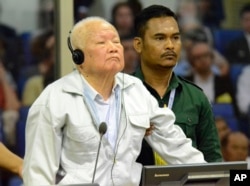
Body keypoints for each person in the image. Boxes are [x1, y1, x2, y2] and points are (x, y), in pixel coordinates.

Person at [23, 16, 206, 186]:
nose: (113, 47)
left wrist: (210, 177)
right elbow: (38, 173)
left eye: (116, 42)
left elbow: (175, 144)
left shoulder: (136, 90)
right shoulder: (54, 99)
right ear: (79, 57)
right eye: (102, 43)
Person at [133, 5, 222, 165]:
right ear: (139, 45)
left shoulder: (196, 97)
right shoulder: (122, 94)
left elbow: (213, 160)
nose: (170, 45)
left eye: (175, 37)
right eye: (160, 38)